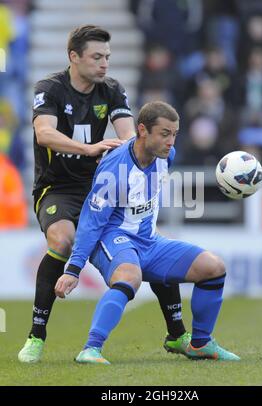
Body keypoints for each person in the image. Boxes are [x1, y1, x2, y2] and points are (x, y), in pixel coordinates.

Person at [18, 25, 189, 363]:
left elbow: (129, 135)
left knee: (146, 245)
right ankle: (36, 336)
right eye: (97, 57)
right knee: (62, 241)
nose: (104, 64)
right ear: (74, 57)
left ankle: (178, 333)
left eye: (108, 57)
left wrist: (144, 148)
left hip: (102, 187)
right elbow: (44, 134)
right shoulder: (50, 89)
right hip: (58, 188)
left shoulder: (111, 90)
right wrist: (89, 148)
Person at [55, 101, 240, 364]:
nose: (170, 141)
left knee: (214, 267)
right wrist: (73, 269)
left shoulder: (168, 156)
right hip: (113, 238)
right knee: (130, 276)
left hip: (149, 241)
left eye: (174, 134)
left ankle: (200, 343)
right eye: (164, 134)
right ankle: (90, 349)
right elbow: (91, 223)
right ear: (142, 130)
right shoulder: (115, 168)